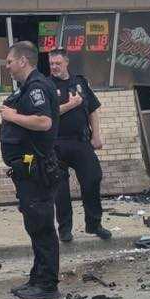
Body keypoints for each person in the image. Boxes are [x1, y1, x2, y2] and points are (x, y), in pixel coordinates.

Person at [0, 41, 61, 299]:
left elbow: (44, 122)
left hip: (37, 171)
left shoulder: (36, 88)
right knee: (35, 226)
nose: (7, 66)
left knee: (42, 227)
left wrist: (11, 116)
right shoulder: (29, 87)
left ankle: (47, 285)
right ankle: (38, 278)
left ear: (23, 61)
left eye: (10, 61)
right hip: (28, 171)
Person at [46, 49, 111, 242]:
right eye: (51, 64)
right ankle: (65, 229)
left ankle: (94, 224)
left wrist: (96, 135)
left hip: (80, 141)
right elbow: (46, 115)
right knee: (61, 189)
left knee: (93, 178)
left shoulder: (80, 82)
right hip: (56, 143)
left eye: (57, 63)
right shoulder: (46, 85)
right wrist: (70, 105)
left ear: (66, 62)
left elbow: (92, 110)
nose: (54, 67)